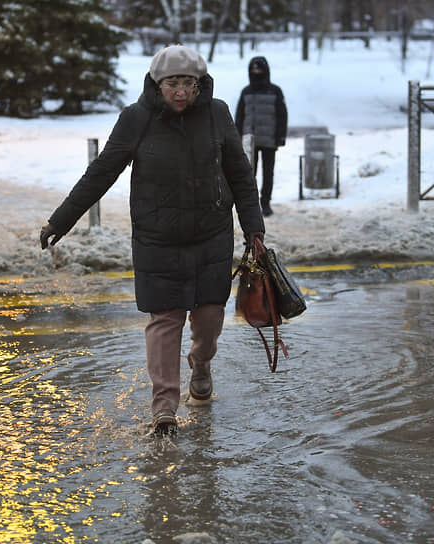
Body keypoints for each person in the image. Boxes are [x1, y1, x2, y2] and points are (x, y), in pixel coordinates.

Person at [39, 45, 265, 436]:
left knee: (210, 320)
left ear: (200, 84)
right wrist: (62, 219)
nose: (180, 91)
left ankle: (202, 363)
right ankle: (164, 410)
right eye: (172, 83)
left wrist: (254, 230)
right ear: (157, 84)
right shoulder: (137, 118)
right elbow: (102, 171)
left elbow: (240, 175)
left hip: (211, 235)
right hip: (157, 238)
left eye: (188, 84)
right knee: (165, 320)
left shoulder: (217, 114)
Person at [235, 56, 288, 217]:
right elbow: (240, 116)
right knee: (249, 174)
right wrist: (237, 137)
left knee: (268, 173)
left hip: (269, 139)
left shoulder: (275, 91)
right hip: (249, 140)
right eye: (253, 70)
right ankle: (251, 204)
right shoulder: (246, 91)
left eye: (259, 70)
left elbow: (282, 115)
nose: (256, 73)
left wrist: (280, 136)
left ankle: (265, 203)